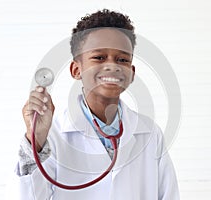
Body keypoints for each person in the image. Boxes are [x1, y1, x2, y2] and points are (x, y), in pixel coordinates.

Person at [16, 9, 179, 200]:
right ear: (76, 69)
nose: (112, 65)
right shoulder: (52, 135)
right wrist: (35, 140)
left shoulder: (150, 133)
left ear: (132, 73)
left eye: (122, 59)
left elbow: (169, 195)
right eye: (99, 57)